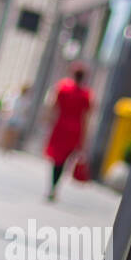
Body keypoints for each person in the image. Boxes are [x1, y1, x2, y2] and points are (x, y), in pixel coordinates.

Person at [43, 64, 92, 202]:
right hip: (75, 130)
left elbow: (52, 106)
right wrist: (85, 139)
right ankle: (55, 186)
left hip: (60, 127)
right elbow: (86, 118)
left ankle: (53, 187)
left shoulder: (63, 88)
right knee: (65, 160)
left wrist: (48, 122)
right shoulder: (86, 94)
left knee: (57, 160)